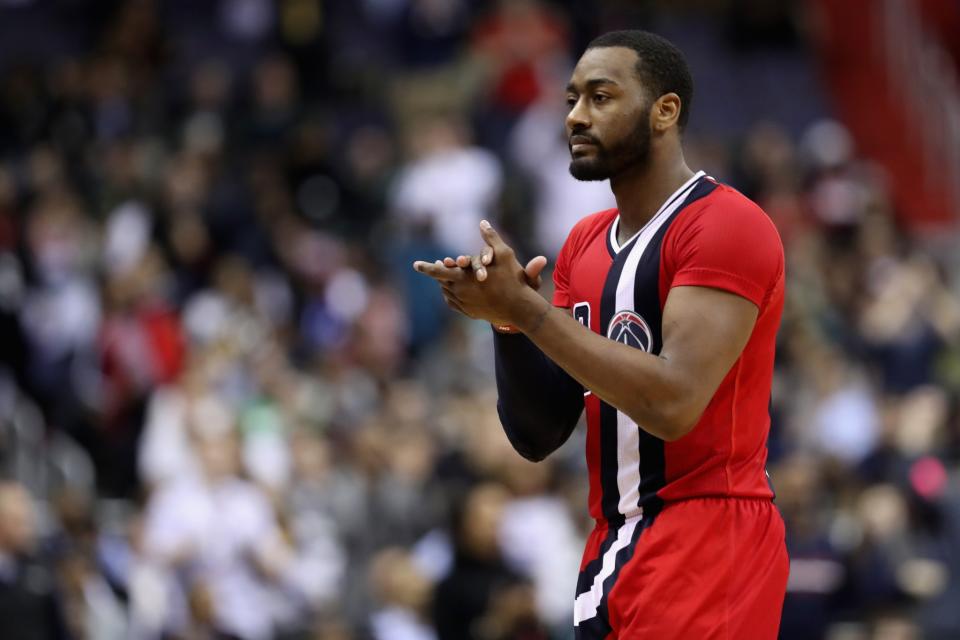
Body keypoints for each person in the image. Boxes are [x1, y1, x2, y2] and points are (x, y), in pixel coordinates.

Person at [413, 30, 789, 639]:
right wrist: (505, 321)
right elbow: (539, 435)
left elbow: (674, 403)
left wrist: (533, 315)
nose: (576, 116)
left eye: (600, 97)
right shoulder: (585, 243)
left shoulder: (726, 224)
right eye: (571, 100)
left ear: (665, 111)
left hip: (710, 533)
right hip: (614, 542)